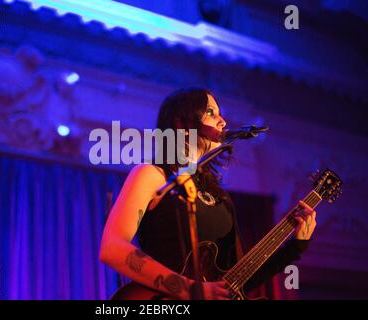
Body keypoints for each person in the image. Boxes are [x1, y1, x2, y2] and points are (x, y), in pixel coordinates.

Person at [99, 87, 316, 300]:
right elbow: (112, 247)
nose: (223, 121)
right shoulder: (152, 175)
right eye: (211, 112)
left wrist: (294, 248)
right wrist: (189, 289)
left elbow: (234, 284)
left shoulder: (221, 198)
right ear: (182, 124)